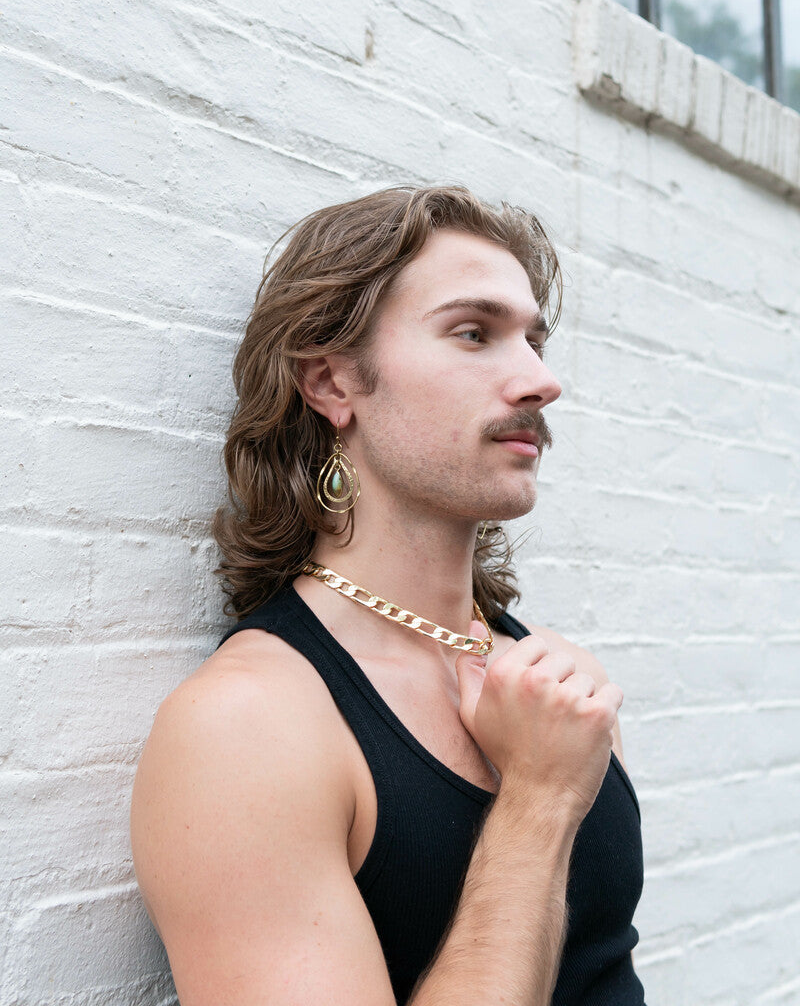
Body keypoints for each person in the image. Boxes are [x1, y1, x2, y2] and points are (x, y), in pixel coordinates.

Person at [131, 185, 646, 1006]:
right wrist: (539, 800)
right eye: (474, 333)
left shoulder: (550, 678)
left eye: (534, 341)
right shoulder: (246, 725)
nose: (540, 381)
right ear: (332, 382)